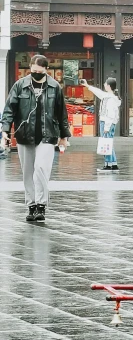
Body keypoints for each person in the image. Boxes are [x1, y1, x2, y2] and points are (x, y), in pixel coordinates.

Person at [1, 55, 70, 222]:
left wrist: (64, 135)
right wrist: (4, 130)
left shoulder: (54, 87)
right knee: (27, 173)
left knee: (40, 168)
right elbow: (9, 109)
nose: (36, 74)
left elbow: (62, 113)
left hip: (48, 135)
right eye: (33, 71)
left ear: (46, 70)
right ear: (30, 69)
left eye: (39, 71)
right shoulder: (20, 85)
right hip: (25, 134)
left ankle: (41, 205)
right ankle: (31, 205)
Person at [81, 78, 122, 173]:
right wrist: (87, 86)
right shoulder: (107, 96)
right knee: (109, 144)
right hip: (108, 123)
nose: (104, 84)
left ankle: (108, 165)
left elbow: (110, 115)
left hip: (107, 123)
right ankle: (113, 165)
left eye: (105, 83)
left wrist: (106, 127)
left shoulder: (110, 99)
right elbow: (97, 92)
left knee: (106, 144)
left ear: (108, 86)